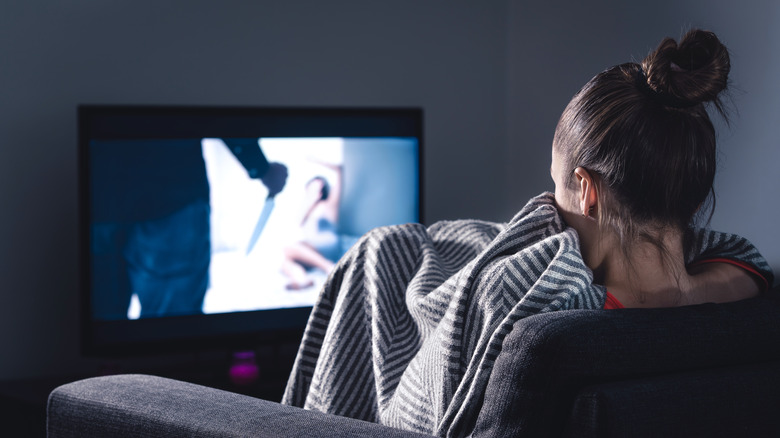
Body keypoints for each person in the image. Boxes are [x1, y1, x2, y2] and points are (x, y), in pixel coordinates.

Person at [283, 29, 773, 435]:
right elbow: (742, 263)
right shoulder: (739, 289)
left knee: (383, 251)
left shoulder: (535, 313)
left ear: (587, 192)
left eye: (554, 183)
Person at [550, 28, 768, 308]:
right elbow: (748, 259)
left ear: (587, 192)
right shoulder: (744, 284)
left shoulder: (566, 318)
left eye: (554, 182)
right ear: (695, 204)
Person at [91, 137, 288, 320]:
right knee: (171, 328)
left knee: (102, 325)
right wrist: (261, 168)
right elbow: (220, 105)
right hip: (170, 194)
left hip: (98, 195)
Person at [281, 162, 343, 290]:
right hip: (313, 248)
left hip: (328, 245)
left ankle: (329, 267)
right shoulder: (308, 209)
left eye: (317, 186)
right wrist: (310, 199)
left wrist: (315, 160)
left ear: (323, 189)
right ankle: (301, 280)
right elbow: (297, 221)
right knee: (285, 261)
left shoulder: (329, 205)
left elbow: (339, 171)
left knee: (289, 248)